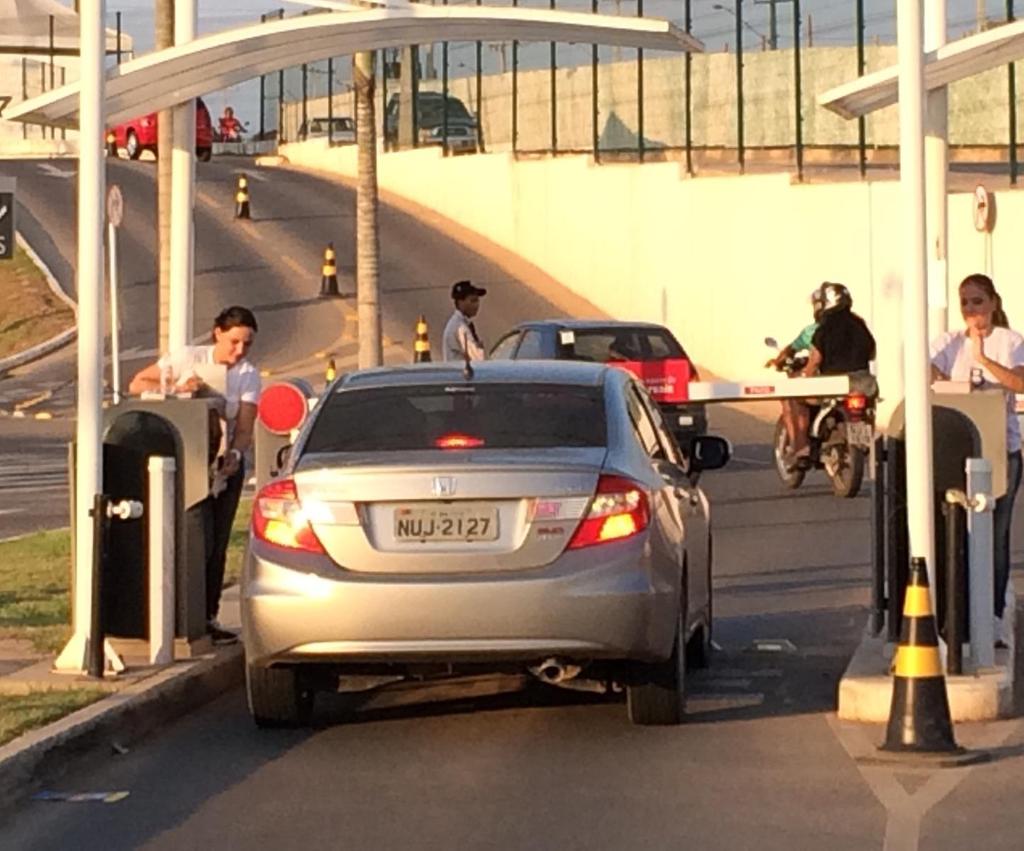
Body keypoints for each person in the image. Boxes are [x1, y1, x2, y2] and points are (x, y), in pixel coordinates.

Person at [128, 306, 261, 645]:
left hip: (222, 463)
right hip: (184, 458)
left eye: (246, 344)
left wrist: (235, 454)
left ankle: (207, 615)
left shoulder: (247, 375)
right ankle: (174, 611)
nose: (239, 351)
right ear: (217, 333)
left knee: (216, 543)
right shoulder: (187, 357)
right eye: (234, 342)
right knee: (192, 538)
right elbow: (136, 383)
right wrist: (176, 384)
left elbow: (245, 426)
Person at [930, 273, 1024, 640]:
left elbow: (1019, 381)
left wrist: (983, 358)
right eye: (965, 303)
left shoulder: (1010, 341)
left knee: (995, 536)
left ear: (993, 303)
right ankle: (958, 613)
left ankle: (995, 615)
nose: (972, 310)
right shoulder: (950, 342)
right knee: (956, 532)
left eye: (978, 302)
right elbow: (924, 369)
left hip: (1002, 451)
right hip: (959, 449)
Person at [786, 282, 876, 461]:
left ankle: (801, 446)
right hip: (865, 384)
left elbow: (816, 359)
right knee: (869, 408)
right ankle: (865, 439)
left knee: (794, 397)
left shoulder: (824, 327)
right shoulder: (860, 324)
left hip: (831, 386)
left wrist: (805, 375)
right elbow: (872, 352)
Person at [768, 288, 825, 452]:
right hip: (853, 383)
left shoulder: (813, 331)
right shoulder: (856, 326)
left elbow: (792, 349)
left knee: (793, 398)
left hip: (823, 386)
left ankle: (799, 446)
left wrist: (779, 361)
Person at [443, 279, 487, 362]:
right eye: (473, 301)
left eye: (477, 300)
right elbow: (478, 359)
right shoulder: (460, 328)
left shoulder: (460, 323)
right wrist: (480, 347)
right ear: (460, 302)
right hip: (462, 373)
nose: (476, 305)